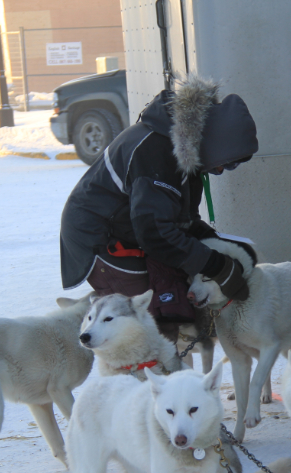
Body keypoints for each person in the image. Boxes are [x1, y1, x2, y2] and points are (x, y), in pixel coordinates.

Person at [59, 74, 258, 328]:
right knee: (148, 320)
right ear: (215, 143)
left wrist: (216, 243)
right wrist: (216, 265)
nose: (224, 170)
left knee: (170, 302)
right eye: (228, 162)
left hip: (130, 229)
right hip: (99, 236)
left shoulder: (187, 149)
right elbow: (155, 232)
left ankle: (167, 363)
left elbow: (181, 219)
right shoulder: (155, 153)